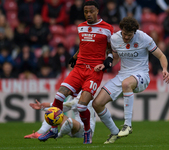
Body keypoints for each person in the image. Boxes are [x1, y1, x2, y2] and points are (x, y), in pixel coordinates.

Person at [38, 1, 113, 144]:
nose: (88, 14)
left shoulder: (107, 28)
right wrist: (74, 56)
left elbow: (110, 48)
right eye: (86, 12)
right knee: (59, 95)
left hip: (93, 71)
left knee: (81, 106)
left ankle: (87, 131)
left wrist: (108, 59)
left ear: (97, 11)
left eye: (91, 11)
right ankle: (53, 129)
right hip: (79, 68)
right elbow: (83, 45)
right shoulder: (81, 27)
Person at [92, 16, 169, 144]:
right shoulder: (115, 38)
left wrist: (165, 69)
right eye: (124, 34)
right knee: (97, 103)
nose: (126, 37)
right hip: (122, 74)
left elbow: (161, 55)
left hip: (141, 75)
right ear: (121, 30)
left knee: (127, 84)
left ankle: (127, 125)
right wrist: (105, 64)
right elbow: (116, 58)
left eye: (129, 35)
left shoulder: (144, 38)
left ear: (134, 32)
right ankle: (114, 131)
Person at [24, 92, 96, 139]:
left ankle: (58, 135)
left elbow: (72, 104)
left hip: (86, 130)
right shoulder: (73, 96)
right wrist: (42, 108)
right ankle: (39, 133)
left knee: (69, 121)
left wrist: (49, 104)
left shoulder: (85, 93)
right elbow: (61, 108)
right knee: (52, 113)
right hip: (73, 129)